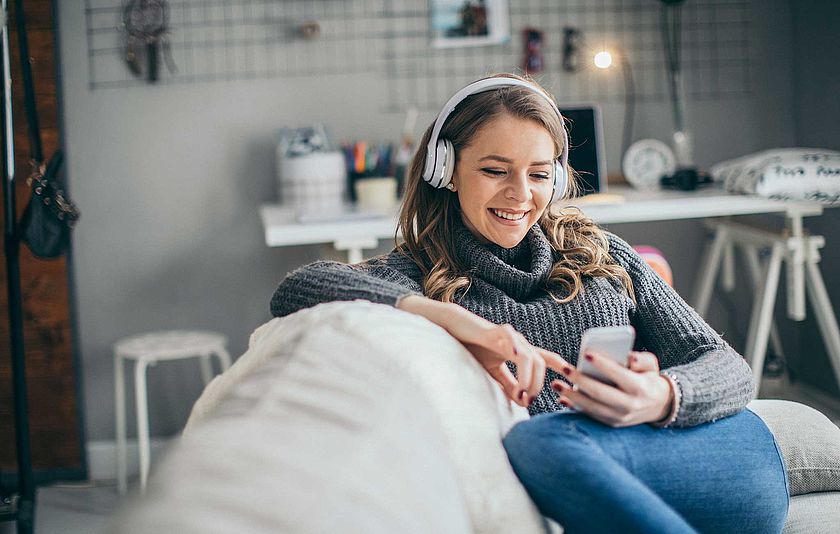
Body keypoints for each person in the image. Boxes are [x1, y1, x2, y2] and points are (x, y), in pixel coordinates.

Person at [270, 74, 789, 533]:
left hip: (706, 452)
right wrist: (457, 320)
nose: (520, 194)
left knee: (541, 444)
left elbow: (729, 367)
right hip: (574, 473)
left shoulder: (601, 252)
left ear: (557, 179)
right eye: (495, 170)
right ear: (445, 170)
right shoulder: (415, 275)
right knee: (539, 443)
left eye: (540, 174)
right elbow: (299, 288)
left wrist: (660, 393)